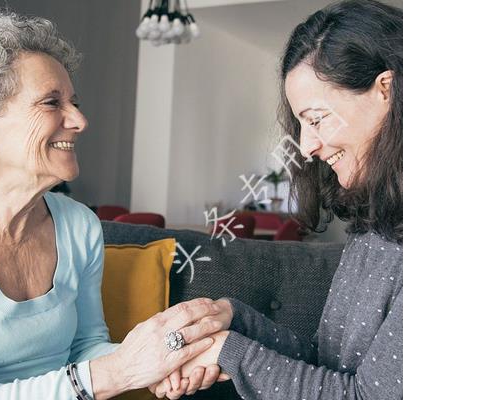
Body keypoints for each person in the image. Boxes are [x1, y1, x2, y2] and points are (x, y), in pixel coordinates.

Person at [0, 11, 228, 400]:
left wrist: (163, 367)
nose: (79, 119)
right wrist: (118, 370)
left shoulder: (78, 225)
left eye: (73, 102)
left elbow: (87, 348)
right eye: (51, 102)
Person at [150, 0, 403, 398]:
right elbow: (327, 366)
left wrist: (230, 351)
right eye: (301, 124)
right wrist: (236, 323)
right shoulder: (374, 228)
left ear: (384, 91)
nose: (304, 146)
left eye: (316, 118)